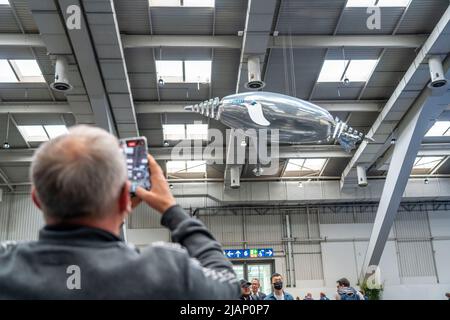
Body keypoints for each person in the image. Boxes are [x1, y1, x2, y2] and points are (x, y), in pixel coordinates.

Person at [0, 125, 240, 299]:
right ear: (125, 198)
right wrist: (171, 210)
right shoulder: (166, 273)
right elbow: (228, 285)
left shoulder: (5, 263)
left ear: (36, 199)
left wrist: (118, 207)